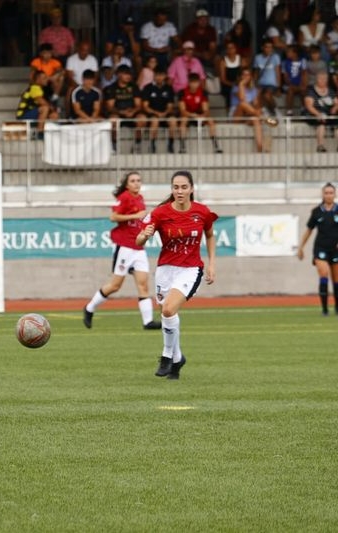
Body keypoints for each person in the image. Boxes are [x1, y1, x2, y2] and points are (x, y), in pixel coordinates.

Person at [136, 170, 218, 380]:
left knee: (169, 308)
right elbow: (138, 240)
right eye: (176, 187)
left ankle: (166, 356)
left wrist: (211, 264)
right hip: (165, 270)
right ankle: (178, 358)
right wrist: (143, 237)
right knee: (168, 314)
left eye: (183, 187)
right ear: (171, 189)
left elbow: (209, 235)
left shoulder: (202, 212)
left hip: (190, 269)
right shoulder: (160, 213)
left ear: (191, 189)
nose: (179, 191)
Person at [83, 171, 161, 331]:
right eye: (133, 181)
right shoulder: (125, 197)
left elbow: (140, 219)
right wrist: (134, 215)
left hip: (139, 247)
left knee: (143, 284)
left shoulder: (140, 198)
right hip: (125, 246)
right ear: (127, 184)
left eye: (139, 180)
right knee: (115, 285)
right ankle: (89, 308)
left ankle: (148, 322)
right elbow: (113, 217)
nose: (137, 183)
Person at [297, 182, 338, 315]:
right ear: (322, 194)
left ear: (335, 194)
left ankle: (337, 308)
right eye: (326, 193)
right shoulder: (316, 212)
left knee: (336, 279)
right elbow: (309, 230)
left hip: (336, 250)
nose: (329, 195)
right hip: (320, 248)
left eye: (331, 193)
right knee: (324, 272)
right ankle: (325, 309)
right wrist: (301, 247)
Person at [104, 65, 146, 153]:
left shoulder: (134, 87)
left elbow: (138, 105)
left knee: (142, 118)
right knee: (113, 119)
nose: (129, 77)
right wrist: (121, 112)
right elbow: (110, 107)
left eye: (130, 74)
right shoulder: (112, 88)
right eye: (126, 74)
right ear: (119, 75)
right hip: (118, 113)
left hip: (132, 113)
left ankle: (137, 144)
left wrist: (133, 111)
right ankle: (114, 144)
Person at [178, 72, 222, 154]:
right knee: (183, 121)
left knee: (211, 121)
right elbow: (182, 110)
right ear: (188, 82)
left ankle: (216, 145)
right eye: (192, 82)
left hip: (199, 115)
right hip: (188, 115)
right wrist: (192, 115)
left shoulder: (203, 92)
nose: (194, 84)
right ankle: (182, 146)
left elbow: (206, 109)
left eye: (196, 82)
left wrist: (201, 116)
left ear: (199, 82)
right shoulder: (182, 92)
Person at [229, 68, 267, 153]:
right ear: (240, 76)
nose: (246, 77)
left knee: (256, 120)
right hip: (237, 115)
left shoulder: (253, 90)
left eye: (248, 75)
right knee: (242, 104)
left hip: (248, 115)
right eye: (244, 75)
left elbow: (256, 104)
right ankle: (262, 117)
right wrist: (241, 84)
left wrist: (258, 100)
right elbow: (242, 99)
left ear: (251, 77)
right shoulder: (236, 87)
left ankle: (260, 148)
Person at [141, 67, 177, 154]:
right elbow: (145, 106)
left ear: (165, 76)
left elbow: (170, 106)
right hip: (152, 114)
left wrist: (165, 113)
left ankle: (171, 144)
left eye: (161, 75)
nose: (159, 77)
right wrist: (156, 113)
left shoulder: (168, 88)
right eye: (157, 75)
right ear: (154, 76)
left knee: (173, 120)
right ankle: (152, 144)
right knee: (155, 121)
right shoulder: (148, 88)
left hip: (165, 114)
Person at [303, 70, 338, 152]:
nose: (323, 80)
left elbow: (336, 102)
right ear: (316, 80)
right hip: (314, 114)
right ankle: (320, 146)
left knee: (337, 124)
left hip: (328, 114)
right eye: (321, 79)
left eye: (325, 79)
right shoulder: (311, 91)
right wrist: (318, 114)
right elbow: (309, 106)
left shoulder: (331, 91)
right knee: (321, 124)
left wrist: (335, 107)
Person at [16, 71, 57, 138]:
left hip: (33, 113)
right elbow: (42, 102)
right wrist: (52, 110)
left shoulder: (42, 89)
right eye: (44, 78)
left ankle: (51, 135)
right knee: (45, 108)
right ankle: (39, 132)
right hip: (23, 115)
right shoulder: (34, 88)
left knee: (54, 115)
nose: (47, 79)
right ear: (38, 79)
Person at [217, 41, 247, 108]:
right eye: (228, 48)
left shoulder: (241, 59)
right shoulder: (223, 61)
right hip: (228, 85)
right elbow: (223, 79)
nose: (230, 50)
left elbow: (245, 73)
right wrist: (233, 84)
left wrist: (240, 83)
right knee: (230, 92)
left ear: (235, 49)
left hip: (240, 83)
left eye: (232, 48)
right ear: (226, 50)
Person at [282, 44, 306, 115]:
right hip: (289, 85)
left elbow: (304, 74)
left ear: (295, 53)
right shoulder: (285, 62)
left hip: (300, 84)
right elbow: (285, 76)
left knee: (303, 90)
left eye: (289, 52)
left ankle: (304, 109)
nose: (287, 53)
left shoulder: (302, 61)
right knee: (290, 90)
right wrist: (290, 84)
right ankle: (289, 111)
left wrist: (303, 84)